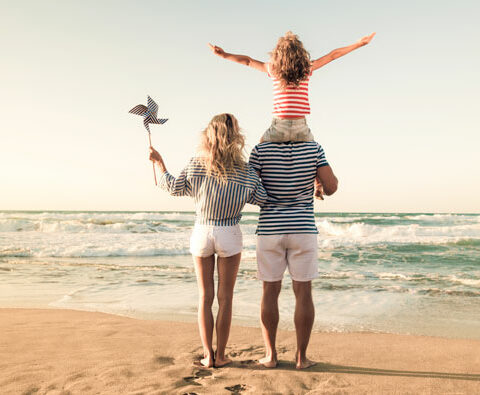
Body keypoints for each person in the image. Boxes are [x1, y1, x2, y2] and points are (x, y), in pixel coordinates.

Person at [149, 113, 267, 368]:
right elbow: (263, 198)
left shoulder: (196, 164)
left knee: (205, 297)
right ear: (236, 137)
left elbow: (174, 187)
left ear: (209, 135)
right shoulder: (246, 170)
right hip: (230, 233)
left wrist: (159, 163)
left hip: (202, 232)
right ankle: (221, 355)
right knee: (226, 298)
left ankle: (207, 356)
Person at [208, 31, 374, 198]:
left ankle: (253, 188)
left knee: (260, 149)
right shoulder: (306, 68)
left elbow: (248, 61)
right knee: (315, 156)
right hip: (300, 126)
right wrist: (359, 44)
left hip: (278, 126)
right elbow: (333, 55)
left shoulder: (273, 69)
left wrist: (224, 55)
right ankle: (318, 184)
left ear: (277, 54)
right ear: (300, 54)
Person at [248, 138, 338, 369]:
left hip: (269, 230)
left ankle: (270, 356)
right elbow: (332, 187)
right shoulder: (314, 148)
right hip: (302, 229)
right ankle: (301, 358)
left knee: (269, 291)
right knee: (304, 292)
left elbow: (249, 188)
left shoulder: (260, 150)